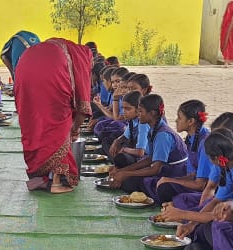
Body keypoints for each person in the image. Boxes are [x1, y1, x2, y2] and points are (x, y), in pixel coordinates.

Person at [14, 38, 94, 193]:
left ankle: (39, 177)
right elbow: (83, 106)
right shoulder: (81, 58)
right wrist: (74, 130)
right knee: (58, 125)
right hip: (53, 77)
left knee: (34, 123)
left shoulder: (59, 47)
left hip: (24, 71)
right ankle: (57, 182)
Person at [105, 94, 188, 199]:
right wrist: (122, 171)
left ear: (152, 113)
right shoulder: (153, 128)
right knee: (128, 179)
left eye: (140, 111)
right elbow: (150, 159)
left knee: (130, 183)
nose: (138, 114)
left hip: (173, 172)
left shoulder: (162, 135)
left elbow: (155, 169)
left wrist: (126, 174)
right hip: (163, 168)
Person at [153, 100, 211, 204]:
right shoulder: (191, 138)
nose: (176, 121)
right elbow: (192, 174)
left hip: (205, 190)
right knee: (157, 182)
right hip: (194, 181)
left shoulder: (205, 143)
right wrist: (170, 180)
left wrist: (171, 181)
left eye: (179, 118)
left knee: (165, 189)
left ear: (190, 121)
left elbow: (200, 184)